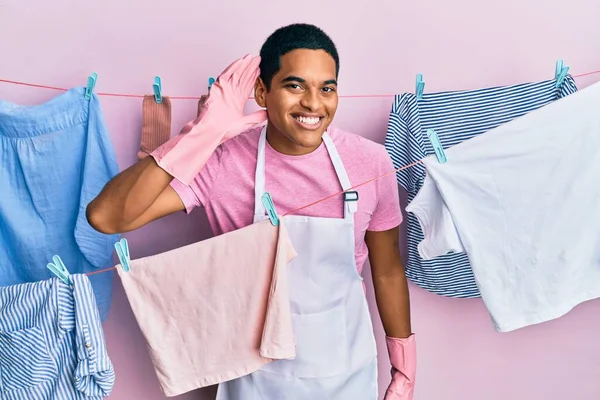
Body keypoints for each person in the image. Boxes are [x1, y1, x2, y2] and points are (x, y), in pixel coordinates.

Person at [87, 23, 416, 400]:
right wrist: (202, 133)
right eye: (295, 85)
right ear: (262, 91)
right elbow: (107, 218)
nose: (313, 102)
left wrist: (404, 366)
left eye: (327, 88)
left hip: (342, 369)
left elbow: (388, 268)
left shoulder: (370, 162)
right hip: (253, 376)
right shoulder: (223, 162)